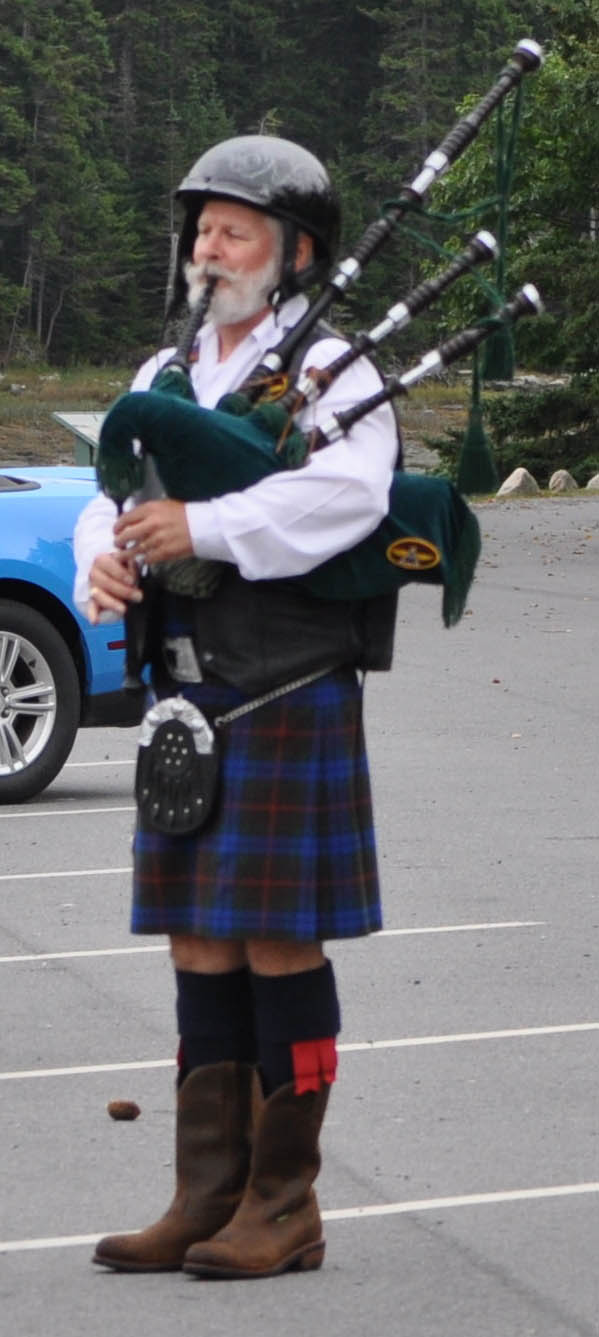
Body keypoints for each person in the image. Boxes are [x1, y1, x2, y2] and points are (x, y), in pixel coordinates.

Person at [73, 134, 399, 1280]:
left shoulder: (334, 370)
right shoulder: (167, 371)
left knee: (272, 934)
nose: (208, 249)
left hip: (284, 684)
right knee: (199, 934)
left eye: (234, 231)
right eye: (201, 229)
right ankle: (203, 1194)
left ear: (294, 252)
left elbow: (347, 498)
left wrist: (201, 527)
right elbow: (116, 482)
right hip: (186, 691)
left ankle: (283, 1201)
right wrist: (105, 556)